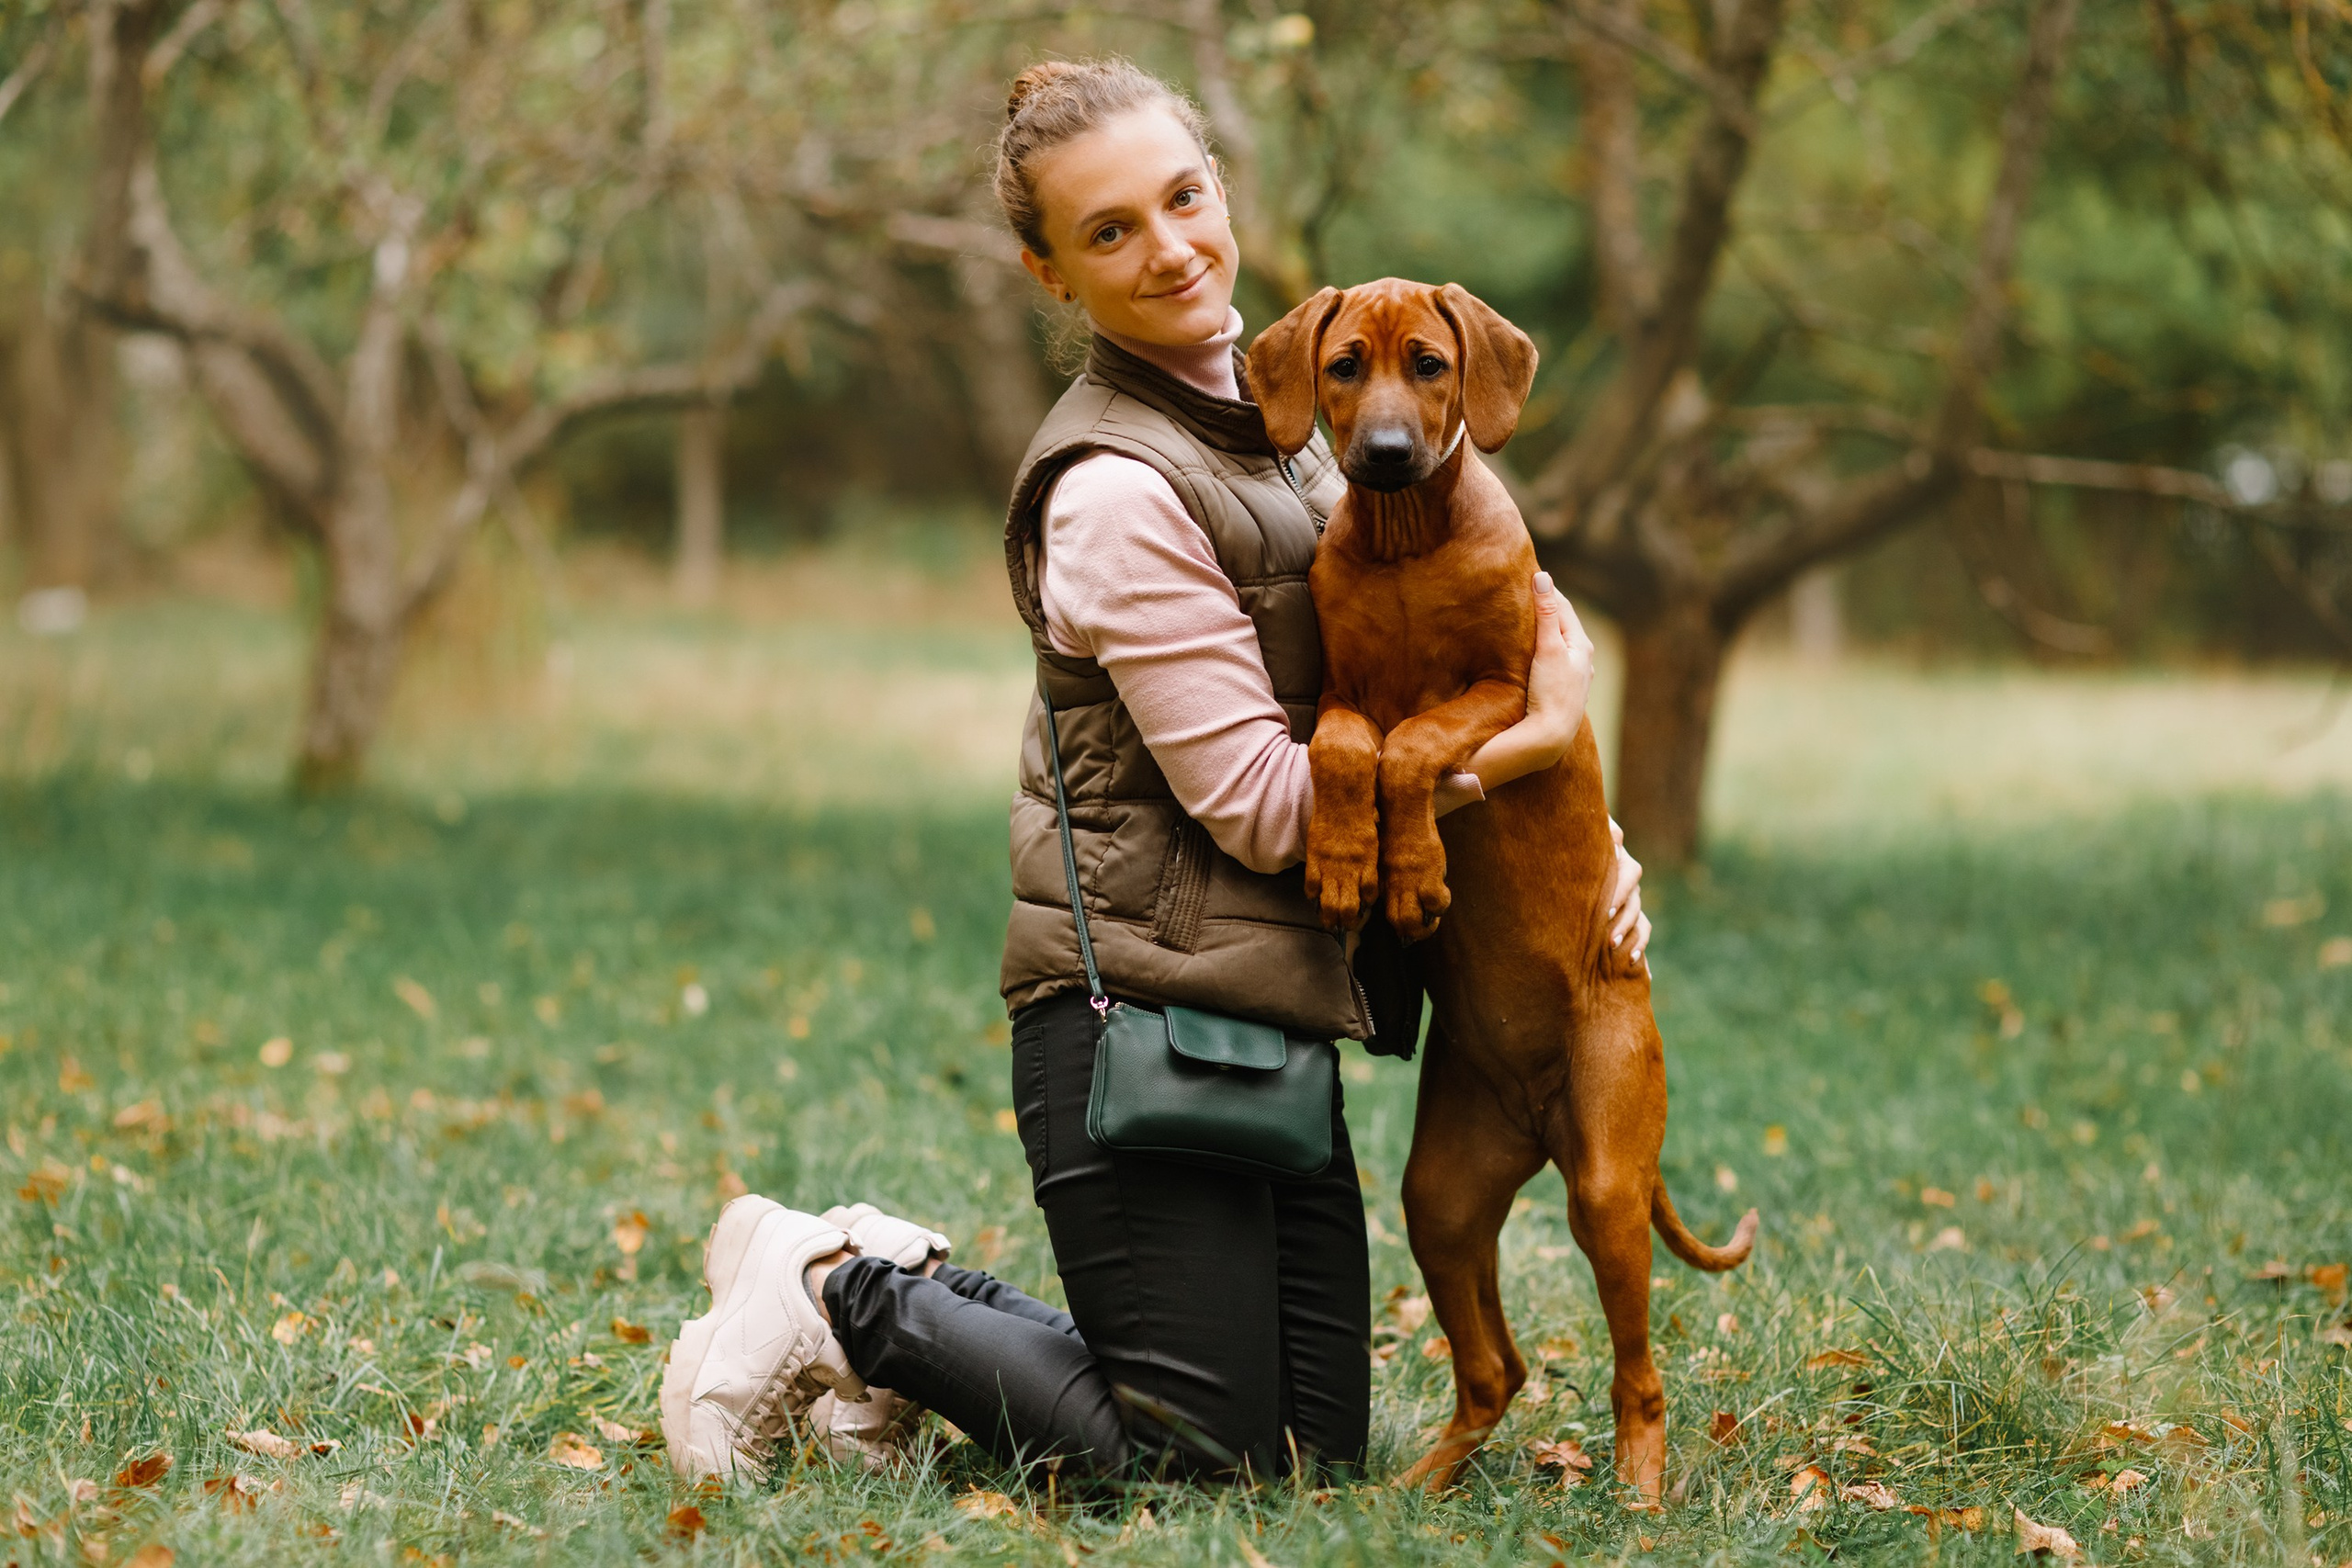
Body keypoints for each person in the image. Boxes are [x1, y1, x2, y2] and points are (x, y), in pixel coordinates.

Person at [658, 55, 1651, 1487]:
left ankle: (888, 1294)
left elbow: (1514, 615)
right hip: (1133, 1007)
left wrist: (1584, 844)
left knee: (1303, 1455)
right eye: (1111, 230)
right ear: (1050, 272)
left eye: (1185, 198)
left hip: (1267, 1003)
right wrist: (1535, 740)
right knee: (1203, 1463)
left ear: (1222, 192)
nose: (1170, 248)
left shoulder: (1309, 417)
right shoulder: (1117, 489)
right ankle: (833, 1293)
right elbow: (1264, 805)